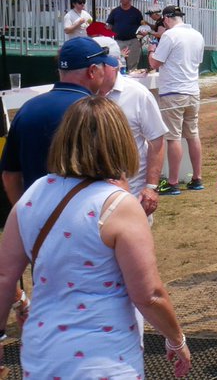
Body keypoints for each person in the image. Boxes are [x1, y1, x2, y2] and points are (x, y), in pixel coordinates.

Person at [0, 98, 192, 379]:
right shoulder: (117, 205)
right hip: (103, 356)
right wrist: (177, 339)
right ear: (120, 141)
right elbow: (148, 294)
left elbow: (5, 276)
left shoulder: (33, 194)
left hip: (42, 353)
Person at [1, 37, 115, 201]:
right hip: (85, 218)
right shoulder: (97, 111)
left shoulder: (27, 109)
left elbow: (10, 175)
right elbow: (114, 176)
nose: (104, 72)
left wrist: (24, 214)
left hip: (37, 219)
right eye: (103, 66)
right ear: (92, 71)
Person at [95, 36, 167, 217]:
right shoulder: (83, 95)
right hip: (92, 198)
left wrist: (151, 187)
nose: (96, 71)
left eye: (102, 65)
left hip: (132, 195)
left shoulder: (137, 94)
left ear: (115, 64)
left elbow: (156, 141)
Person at [150, 5, 206, 195]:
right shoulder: (197, 35)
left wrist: (151, 50)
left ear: (166, 19)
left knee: (173, 137)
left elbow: (155, 62)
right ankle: (197, 177)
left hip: (173, 91)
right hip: (192, 89)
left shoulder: (169, 35)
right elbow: (197, 61)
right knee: (192, 134)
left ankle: (173, 182)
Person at [106, 0, 144, 69]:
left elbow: (142, 27)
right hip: (118, 41)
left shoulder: (136, 12)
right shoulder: (115, 11)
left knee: (132, 66)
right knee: (118, 64)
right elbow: (109, 25)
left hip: (133, 41)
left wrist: (139, 40)